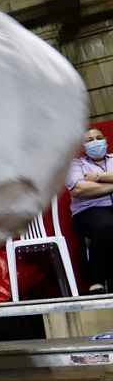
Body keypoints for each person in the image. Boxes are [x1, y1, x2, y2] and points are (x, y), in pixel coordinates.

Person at [67, 126, 113, 294]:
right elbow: (79, 189)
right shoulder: (75, 164)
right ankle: (96, 281)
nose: (96, 142)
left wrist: (98, 178)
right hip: (87, 212)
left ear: (106, 141)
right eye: (90, 140)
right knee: (106, 224)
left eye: (99, 138)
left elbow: (88, 185)